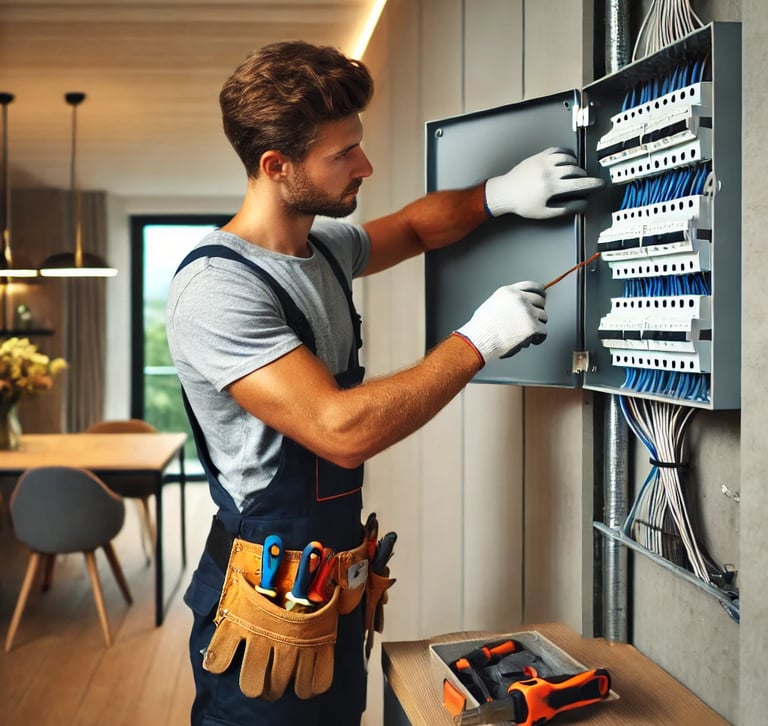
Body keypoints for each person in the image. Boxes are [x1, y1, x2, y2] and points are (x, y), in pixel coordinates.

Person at [166, 39, 603, 726]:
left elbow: (414, 227)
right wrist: (478, 341)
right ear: (276, 166)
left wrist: (500, 196)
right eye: (343, 154)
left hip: (334, 596)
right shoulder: (217, 289)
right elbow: (341, 431)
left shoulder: (324, 249)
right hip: (263, 612)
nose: (365, 165)